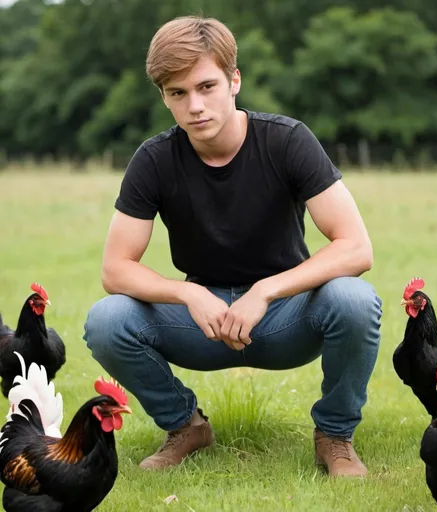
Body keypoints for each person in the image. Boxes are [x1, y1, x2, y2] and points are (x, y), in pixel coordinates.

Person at [83, 15, 382, 478]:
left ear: (234, 79)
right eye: (177, 93)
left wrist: (265, 291)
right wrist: (188, 293)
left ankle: (335, 437)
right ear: (164, 96)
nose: (195, 106)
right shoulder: (154, 159)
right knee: (106, 320)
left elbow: (356, 248)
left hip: (285, 317)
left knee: (355, 300)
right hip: (201, 323)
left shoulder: (288, 141)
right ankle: (185, 426)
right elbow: (115, 270)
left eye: (206, 86)